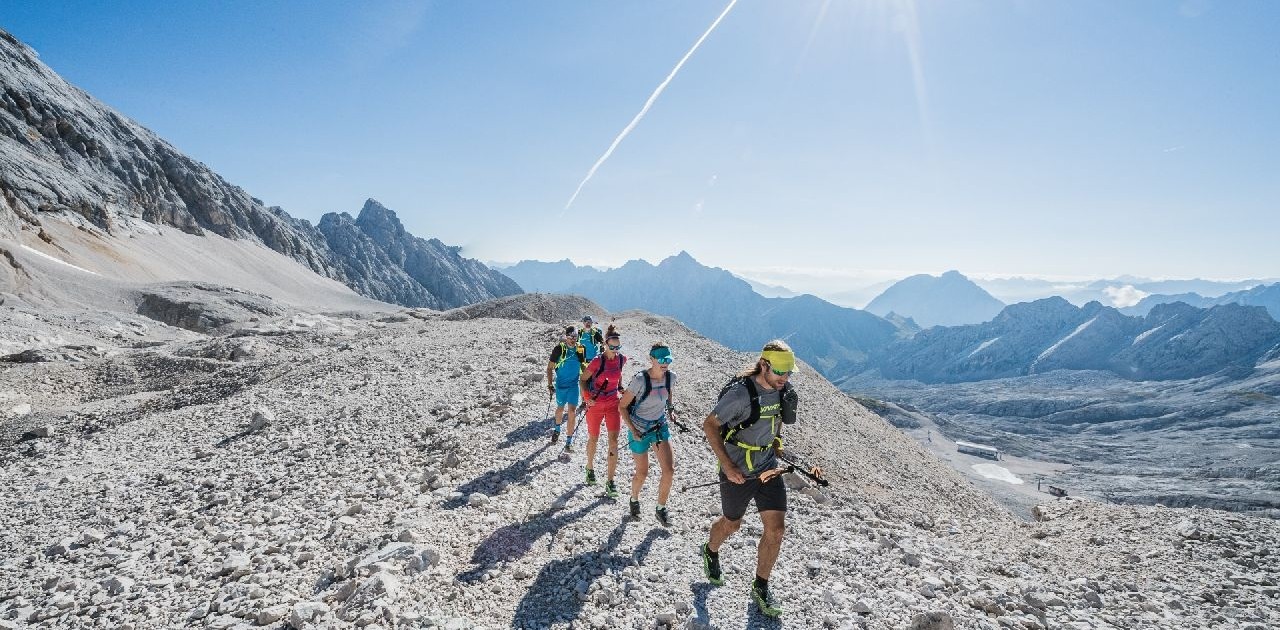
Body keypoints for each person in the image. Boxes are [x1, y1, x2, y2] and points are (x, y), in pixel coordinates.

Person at [699, 340, 819, 619]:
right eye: (780, 372)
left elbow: (774, 422)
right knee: (732, 524)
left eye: (789, 373)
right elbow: (710, 425)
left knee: (776, 530)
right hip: (737, 469)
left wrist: (775, 441)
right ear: (763, 364)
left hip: (767, 467)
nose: (785, 379)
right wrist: (727, 467)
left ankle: (761, 586)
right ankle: (710, 549)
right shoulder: (741, 394)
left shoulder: (782, 390)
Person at [617, 342, 676, 526]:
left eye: (668, 359)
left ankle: (661, 508)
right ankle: (634, 499)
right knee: (642, 473)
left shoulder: (671, 377)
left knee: (669, 470)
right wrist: (633, 431)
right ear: (652, 359)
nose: (665, 363)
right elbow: (622, 406)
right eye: (661, 359)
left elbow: (669, 393)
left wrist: (671, 409)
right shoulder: (640, 380)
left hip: (659, 426)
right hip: (639, 429)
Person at [578, 324, 626, 498]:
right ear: (605, 344)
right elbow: (583, 380)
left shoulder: (622, 359)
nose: (615, 350)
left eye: (618, 347)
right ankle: (589, 467)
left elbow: (618, 373)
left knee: (613, 442)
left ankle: (610, 481)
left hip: (613, 403)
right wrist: (586, 397)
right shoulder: (598, 361)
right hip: (595, 404)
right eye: (612, 347)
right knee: (594, 438)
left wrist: (620, 386)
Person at [545, 325, 584, 447]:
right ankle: (557, 429)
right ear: (566, 336)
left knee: (572, 412)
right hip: (561, 385)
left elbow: (583, 366)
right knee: (560, 408)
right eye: (570, 336)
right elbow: (550, 368)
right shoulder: (559, 349)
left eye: (575, 337)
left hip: (573, 385)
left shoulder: (581, 349)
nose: (573, 339)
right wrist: (550, 384)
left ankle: (569, 441)